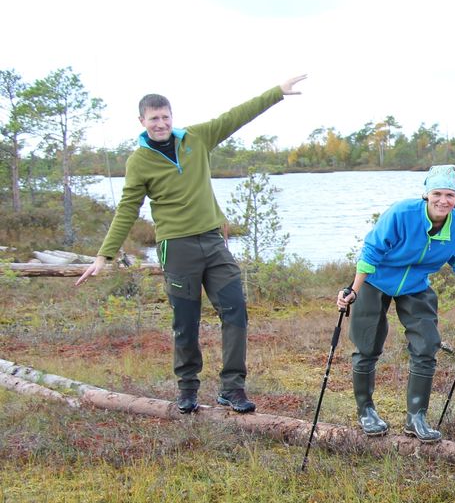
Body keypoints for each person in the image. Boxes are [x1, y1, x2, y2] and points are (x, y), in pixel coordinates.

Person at [76, 75, 307, 414]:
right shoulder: (139, 161)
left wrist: (276, 93)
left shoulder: (196, 139)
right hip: (177, 247)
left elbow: (235, 116)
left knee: (235, 310)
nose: (161, 123)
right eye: (154, 118)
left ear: (172, 116)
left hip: (213, 243)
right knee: (186, 321)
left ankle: (232, 388)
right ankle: (187, 389)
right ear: (142, 121)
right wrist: (104, 255)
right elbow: (128, 207)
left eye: (165, 116)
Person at [335, 165, 455, 442]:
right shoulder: (402, 213)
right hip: (375, 281)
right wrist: (353, 290)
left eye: (450, 195)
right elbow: (371, 250)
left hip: (416, 285)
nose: (443, 200)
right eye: (438, 193)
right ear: (426, 194)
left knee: (426, 345)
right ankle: (366, 411)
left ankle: (416, 418)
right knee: (367, 344)